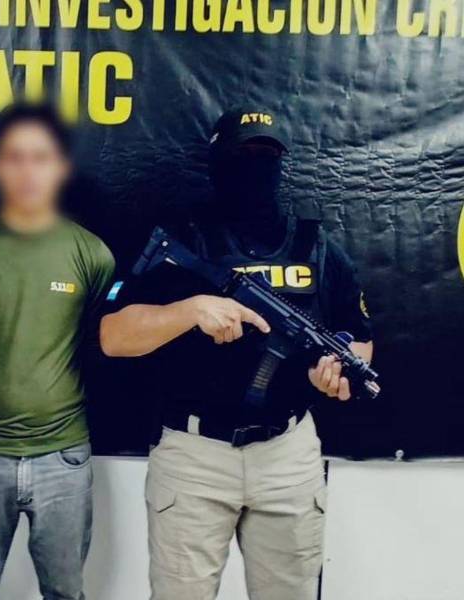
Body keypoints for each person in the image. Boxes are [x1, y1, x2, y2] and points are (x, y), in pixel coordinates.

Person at [100, 107, 374, 600]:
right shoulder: (182, 240)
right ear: (217, 164)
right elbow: (113, 336)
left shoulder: (315, 246)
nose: (255, 169)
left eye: (266, 156)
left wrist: (339, 370)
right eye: (243, 156)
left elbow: (358, 337)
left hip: (287, 454)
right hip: (194, 455)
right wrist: (190, 310)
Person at [0, 102, 115, 600]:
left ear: (60, 166)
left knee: (65, 593)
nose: (28, 171)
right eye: (15, 157)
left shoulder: (92, 254)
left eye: (40, 157)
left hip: (63, 457)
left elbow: (100, 346)